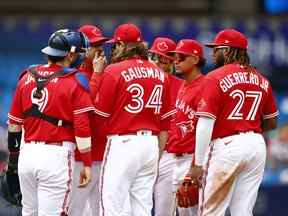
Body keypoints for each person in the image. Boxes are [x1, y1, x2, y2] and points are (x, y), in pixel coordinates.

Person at [188, 29, 279, 216]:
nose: (213, 53)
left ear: (229, 50)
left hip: (227, 145)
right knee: (243, 211)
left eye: (217, 48)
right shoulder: (261, 79)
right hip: (255, 145)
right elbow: (272, 122)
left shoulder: (215, 76)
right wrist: (248, 127)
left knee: (211, 211)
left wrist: (197, 164)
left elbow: (205, 124)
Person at [7, 29, 95, 216]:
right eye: (79, 53)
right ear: (70, 54)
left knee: (29, 213)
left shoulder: (26, 76)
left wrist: (13, 163)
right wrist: (87, 163)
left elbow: (14, 125)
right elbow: (82, 127)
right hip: (56, 157)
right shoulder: (76, 80)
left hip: (27, 156)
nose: (80, 57)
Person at [93, 23, 172, 216]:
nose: (114, 50)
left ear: (123, 46)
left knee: (113, 205)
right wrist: (157, 155)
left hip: (123, 142)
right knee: (142, 207)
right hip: (151, 144)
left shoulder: (114, 70)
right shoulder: (161, 75)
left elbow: (99, 114)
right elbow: (165, 126)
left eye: (116, 46)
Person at [69, 24, 108, 216]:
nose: (100, 48)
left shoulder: (109, 75)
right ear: (82, 49)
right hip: (80, 159)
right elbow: (86, 105)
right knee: (75, 211)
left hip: (106, 157)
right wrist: (98, 74)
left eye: (101, 44)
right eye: (94, 45)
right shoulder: (74, 77)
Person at [167, 39, 206, 216]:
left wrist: (195, 166)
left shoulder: (205, 86)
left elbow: (206, 130)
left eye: (181, 57)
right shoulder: (182, 85)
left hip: (193, 160)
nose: (176, 60)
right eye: (175, 57)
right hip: (177, 159)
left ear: (195, 60)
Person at [148, 37, 183, 216]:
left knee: (163, 211)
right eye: (155, 57)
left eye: (164, 59)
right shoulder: (141, 81)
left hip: (168, 153)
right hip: (142, 148)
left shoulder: (182, 86)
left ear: (172, 61)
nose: (159, 63)